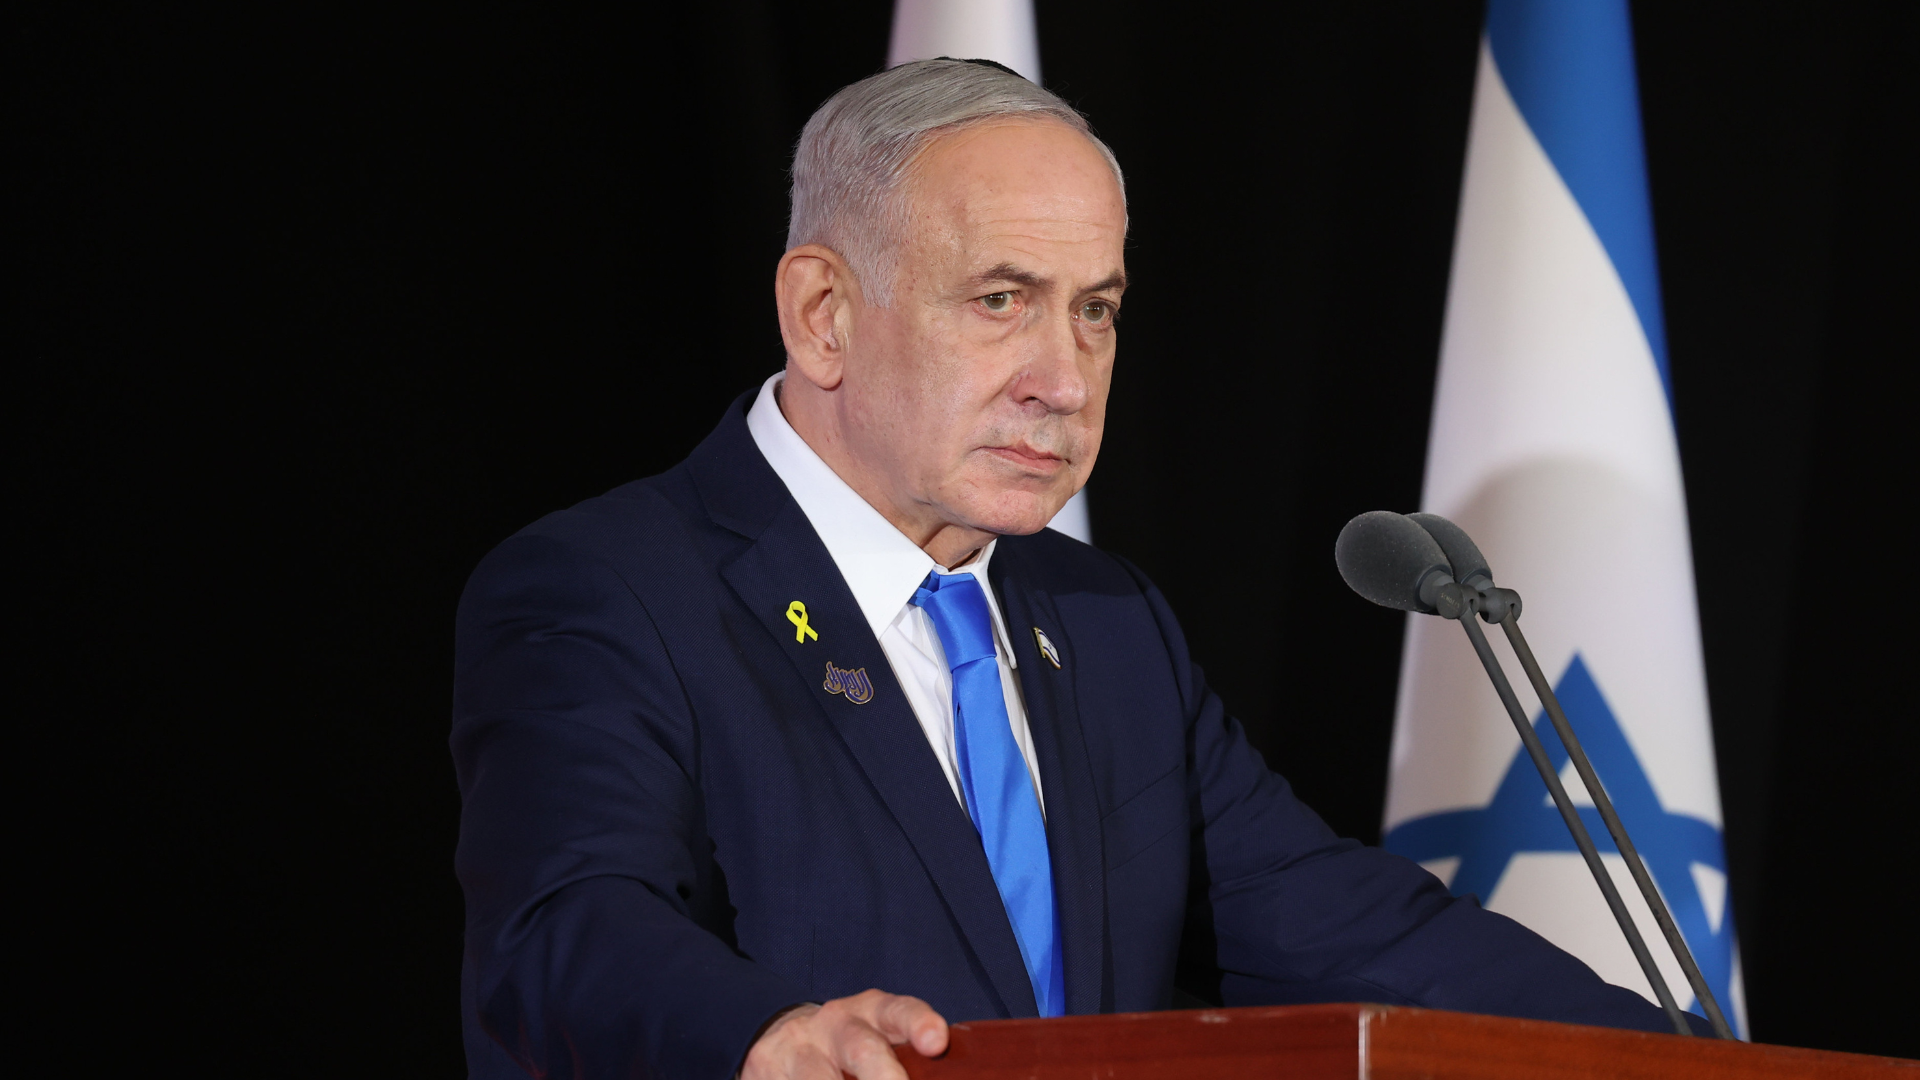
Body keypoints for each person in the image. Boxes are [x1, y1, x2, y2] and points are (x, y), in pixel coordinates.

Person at [451, 58, 1706, 1080]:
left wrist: (1681, 1065)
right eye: (1001, 298)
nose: (1065, 376)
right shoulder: (612, 587)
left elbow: (1348, 932)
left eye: (1095, 308)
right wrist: (763, 1035)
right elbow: (567, 926)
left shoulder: (1103, 622)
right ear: (823, 313)